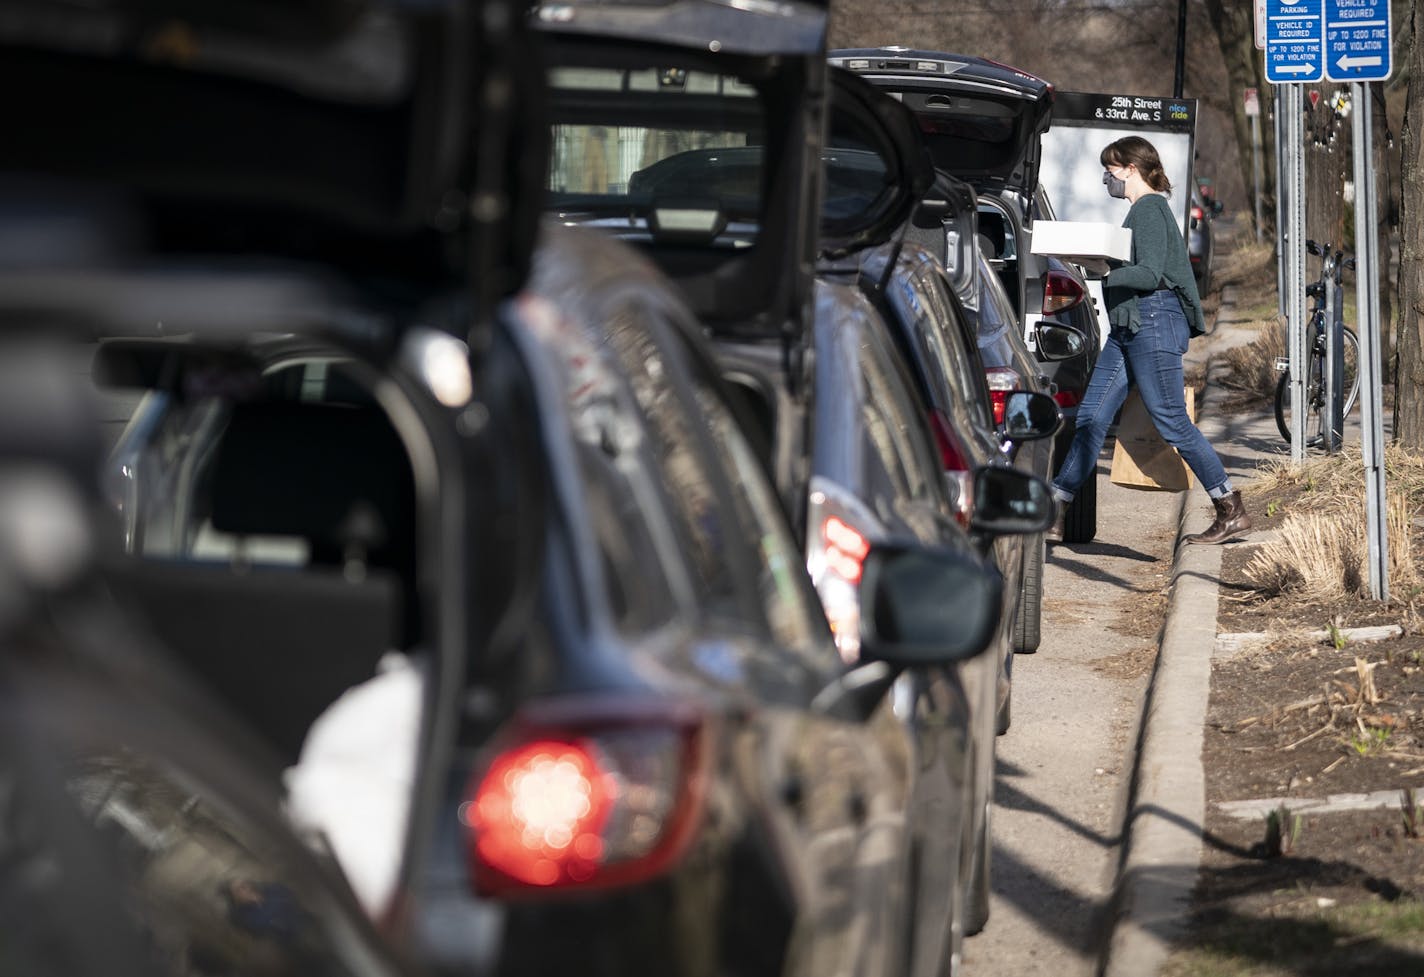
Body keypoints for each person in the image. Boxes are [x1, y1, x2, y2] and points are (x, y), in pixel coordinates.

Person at [1050, 135, 1250, 545]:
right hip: (1130, 327)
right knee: (1090, 417)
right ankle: (1055, 505)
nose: (1108, 179)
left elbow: (1150, 273)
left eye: (1111, 171)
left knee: (1172, 421)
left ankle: (1229, 507)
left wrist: (1105, 271)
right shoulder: (1142, 211)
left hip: (1153, 321)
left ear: (1131, 169)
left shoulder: (1150, 210)